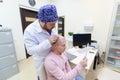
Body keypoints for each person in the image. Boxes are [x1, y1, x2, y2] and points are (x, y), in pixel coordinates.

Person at [24, 4, 59, 80]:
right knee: (43, 77)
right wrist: (48, 42)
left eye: (55, 23)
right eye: (52, 24)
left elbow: (55, 37)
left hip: (54, 58)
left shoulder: (51, 27)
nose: (54, 26)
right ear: (43, 22)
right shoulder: (29, 31)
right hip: (42, 61)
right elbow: (30, 51)